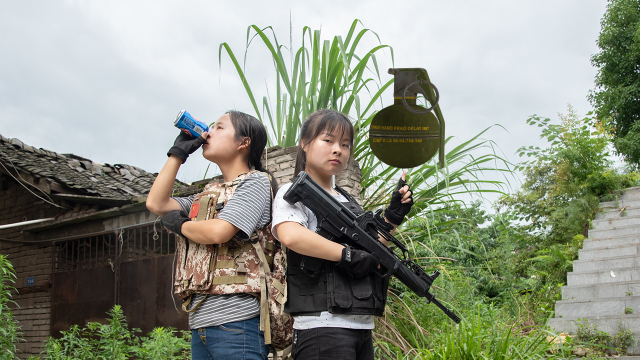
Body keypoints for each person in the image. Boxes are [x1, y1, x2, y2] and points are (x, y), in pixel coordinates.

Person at [271, 109, 414, 360]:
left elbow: (369, 250)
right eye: (328, 140)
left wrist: (392, 217)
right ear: (304, 143)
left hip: (361, 326)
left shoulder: (348, 200)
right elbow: (291, 235)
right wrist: (347, 255)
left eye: (345, 144)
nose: (338, 149)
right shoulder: (291, 191)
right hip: (322, 327)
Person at [146, 110, 279, 360]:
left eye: (219, 127)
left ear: (243, 142)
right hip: (201, 323)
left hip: (238, 323)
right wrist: (178, 154)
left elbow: (220, 230)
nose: (208, 132)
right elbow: (156, 203)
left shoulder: (257, 182)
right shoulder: (209, 194)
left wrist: (181, 225)